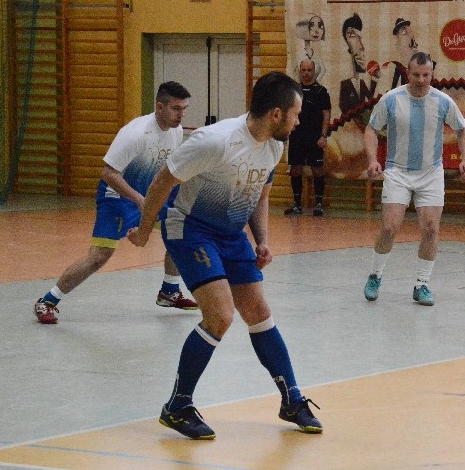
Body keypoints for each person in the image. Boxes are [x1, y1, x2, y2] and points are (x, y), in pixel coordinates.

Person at [126, 71, 322, 440]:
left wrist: (261, 240)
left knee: (259, 313)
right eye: (296, 114)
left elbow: (259, 196)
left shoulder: (274, 147)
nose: (298, 122)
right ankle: (177, 406)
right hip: (190, 228)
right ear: (277, 114)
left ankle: (291, 399)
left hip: (231, 234)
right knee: (220, 315)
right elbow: (163, 180)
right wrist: (144, 229)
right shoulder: (215, 141)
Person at [33, 81, 197, 325]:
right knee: (99, 256)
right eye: (176, 108)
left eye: (184, 109)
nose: (181, 115)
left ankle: (169, 292)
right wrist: (139, 200)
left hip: (147, 194)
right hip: (117, 197)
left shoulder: (176, 131)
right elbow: (109, 173)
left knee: (179, 230)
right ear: (159, 107)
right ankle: (47, 301)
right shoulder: (136, 134)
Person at [363, 52, 465, 307]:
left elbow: (462, 130)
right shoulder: (391, 99)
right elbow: (371, 129)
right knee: (389, 228)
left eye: (426, 75)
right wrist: (372, 159)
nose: (421, 80)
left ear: (432, 74)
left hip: (430, 173)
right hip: (397, 172)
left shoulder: (443, 102)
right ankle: (375, 276)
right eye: (416, 75)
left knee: (431, 228)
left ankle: (422, 284)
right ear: (407, 73)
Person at [284, 59, 331, 217]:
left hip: (315, 137)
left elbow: (326, 115)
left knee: (317, 170)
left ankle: (318, 204)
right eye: (303, 70)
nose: (306, 73)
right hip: (297, 136)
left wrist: (323, 135)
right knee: (295, 169)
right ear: (299, 72)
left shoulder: (321, 91)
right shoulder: (294, 91)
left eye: (309, 70)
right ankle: (297, 205)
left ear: (314, 71)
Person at [339, 13, 381, 117]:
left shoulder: (361, 83)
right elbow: (343, 107)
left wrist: (374, 80)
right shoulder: (345, 84)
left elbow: (369, 99)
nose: (362, 47)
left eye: (360, 38)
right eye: (353, 36)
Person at [390, 17, 418, 88]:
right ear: (397, 44)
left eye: (410, 32)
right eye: (404, 33)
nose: (411, 37)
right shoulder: (392, 70)